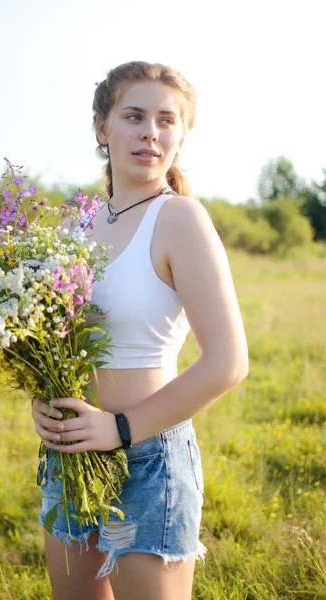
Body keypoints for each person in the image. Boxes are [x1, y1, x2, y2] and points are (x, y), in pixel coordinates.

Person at [31, 60, 249, 600]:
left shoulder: (179, 220)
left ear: (181, 134)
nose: (150, 132)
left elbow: (228, 362)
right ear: (102, 129)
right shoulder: (72, 226)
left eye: (166, 120)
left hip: (147, 463)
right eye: (133, 116)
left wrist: (120, 429)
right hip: (70, 456)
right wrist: (41, 399)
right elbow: (47, 341)